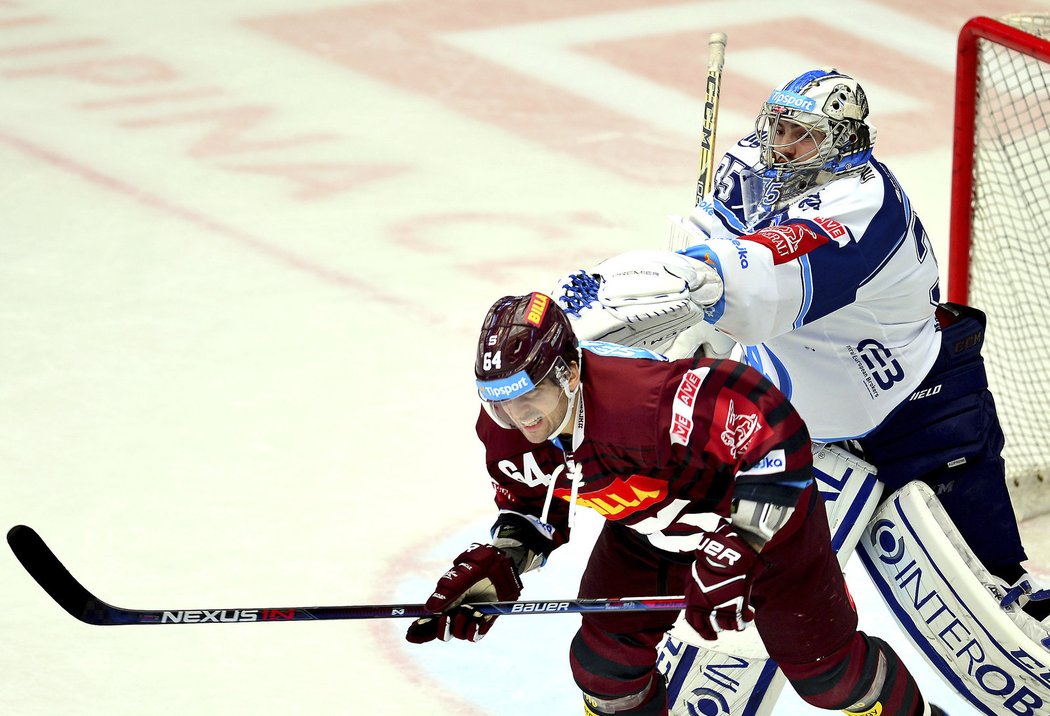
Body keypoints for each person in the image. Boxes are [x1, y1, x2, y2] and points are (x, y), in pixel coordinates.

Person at [555, 67, 1044, 619]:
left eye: (803, 134)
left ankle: (1015, 599)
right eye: (778, 128)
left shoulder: (865, 204)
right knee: (768, 584)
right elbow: (718, 237)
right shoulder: (756, 163)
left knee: (986, 569)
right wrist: (695, 298)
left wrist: (699, 278)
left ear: (845, 142)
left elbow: (768, 275)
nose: (783, 147)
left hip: (909, 401)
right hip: (796, 416)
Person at [405, 291, 944, 716]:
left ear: (569, 373)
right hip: (650, 530)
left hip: (758, 528)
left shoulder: (641, 401)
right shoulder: (508, 429)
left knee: (829, 677)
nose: (520, 418)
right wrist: (504, 561)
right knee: (603, 663)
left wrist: (743, 542)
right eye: (500, 403)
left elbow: (770, 423)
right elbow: (534, 503)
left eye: (530, 397)